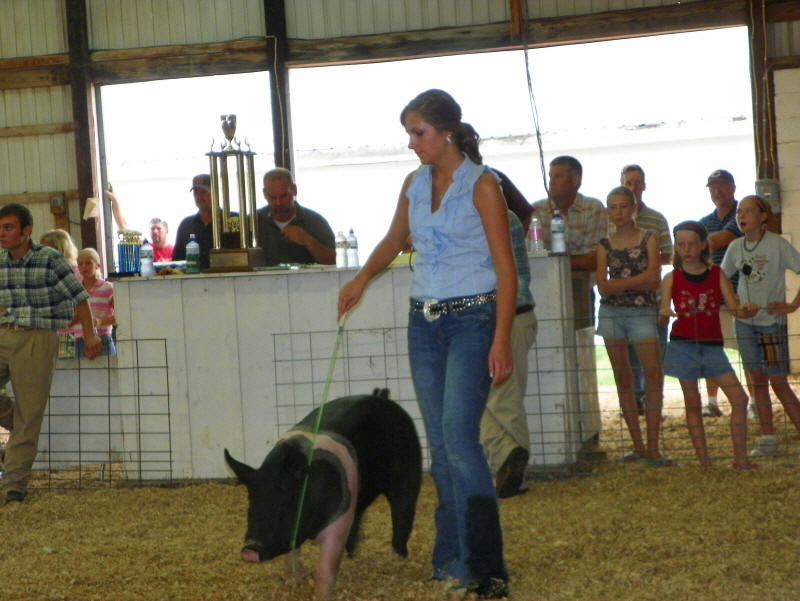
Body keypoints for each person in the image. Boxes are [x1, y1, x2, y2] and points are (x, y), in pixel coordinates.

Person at [338, 89, 515, 599]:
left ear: (447, 133)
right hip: (424, 323)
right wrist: (361, 279)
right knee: (441, 444)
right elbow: (395, 239)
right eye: (410, 134)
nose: (412, 143)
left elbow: (506, 269)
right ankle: (450, 559)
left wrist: (501, 338)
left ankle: (487, 567)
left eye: (418, 133)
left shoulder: (483, 186)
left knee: (459, 438)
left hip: (473, 321)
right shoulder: (413, 184)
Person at [0, 204, 101, 503]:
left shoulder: (49, 259)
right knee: (27, 419)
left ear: (26, 230)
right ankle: (21, 425)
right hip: (5, 332)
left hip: (38, 337)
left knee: (29, 415)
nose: (2, 233)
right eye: (0, 228)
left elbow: (79, 298)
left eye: (8, 227)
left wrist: (90, 335)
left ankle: (14, 485)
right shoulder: (0, 261)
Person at [659, 220, 757, 469]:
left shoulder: (717, 274)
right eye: (681, 244)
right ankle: (705, 463)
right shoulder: (671, 278)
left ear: (703, 245)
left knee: (739, 400)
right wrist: (663, 313)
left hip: (712, 346)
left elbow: (734, 309)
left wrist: (746, 311)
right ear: (676, 247)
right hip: (682, 346)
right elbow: (662, 313)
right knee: (693, 404)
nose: (686, 249)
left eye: (692, 244)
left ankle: (740, 459)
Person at [596, 186, 671, 466]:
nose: (619, 212)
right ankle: (639, 446)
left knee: (653, 377)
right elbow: (603, 288)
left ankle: (652, 446)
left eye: (623, 206)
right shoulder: (604, 244)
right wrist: (638, 280)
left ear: (633, 208)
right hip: (612, 313)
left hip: (641, 313)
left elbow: (654, 281)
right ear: (608, 212)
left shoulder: (649, 237)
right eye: (613, 207)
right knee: (623, 379)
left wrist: (619, 284)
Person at [721, 195, 800, 457]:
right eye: (739, 212)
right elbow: (721, 278)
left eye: (748, 211)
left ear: (763, 216)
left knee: (777, 380)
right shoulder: (735, 247)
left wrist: (792, 305)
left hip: (769, 323)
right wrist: (735, 306)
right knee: (756, 379)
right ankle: (768, 438)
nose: (741, 216)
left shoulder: (777, 245)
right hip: (744, 324)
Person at [480, 209, 537, 498]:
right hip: (514, 314)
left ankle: (508, 462)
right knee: (503, 399)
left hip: (504, 316)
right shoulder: (504, 214)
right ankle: (511, 467)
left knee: (501, 400)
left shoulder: (489, 214)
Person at [618, 164, 672, 415]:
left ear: (644, 186)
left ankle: (654, 404)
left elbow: (669, 255)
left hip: (653, 297)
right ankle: (634, 402)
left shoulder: (657, 219)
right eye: (628, 183)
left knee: (655, 355)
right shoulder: (612, 221)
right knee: (628, 356)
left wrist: (639, 262)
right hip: (623, 300)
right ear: (622, 185)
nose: (633, 187)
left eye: (637, 182)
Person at [699, 169, 745, 417]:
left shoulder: (743, 214)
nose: (718, 191)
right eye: (713, 187)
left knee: (747, 350)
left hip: (741, 294)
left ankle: (752, 402)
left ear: (733, 187)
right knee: (712, 350)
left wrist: (693, 243)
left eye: (722, 186)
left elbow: (720, 240)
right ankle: (712, 401)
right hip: (712, 297)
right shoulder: (705, 221)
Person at [531, 155, 606, 273]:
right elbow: (531, 259)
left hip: (584, 282)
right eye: (550, 177)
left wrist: (549, 263)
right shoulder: (537, 210)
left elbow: (593, 261)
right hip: (547, 282)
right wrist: (576, 262)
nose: (551, 182)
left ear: (575, 180)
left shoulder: (592, 208)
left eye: (558, 177)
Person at [256, 168, 335, 266]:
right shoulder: (253, 222)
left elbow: (334, 261)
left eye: (284, 196)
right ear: (264, 193)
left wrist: (308, 241)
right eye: (273, 197)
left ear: (294, 190)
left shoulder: (315, 222)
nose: (278, 202)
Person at [70, 248, 116, 358]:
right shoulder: (75, 290)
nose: (84, 267)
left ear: (97, 266)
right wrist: (77, 317)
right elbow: (69, 320)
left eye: (88, 263)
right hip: (79, 341)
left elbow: (121, 316)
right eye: (80, 264)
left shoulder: (108, 288)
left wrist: (101, 321)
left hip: (102, 339)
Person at [173, 174, 215, 270]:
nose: (199, 197)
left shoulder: (231, 221)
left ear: (215, 193)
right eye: (196, 192)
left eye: (204, 192)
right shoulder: (186, 225)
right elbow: (177, 262)